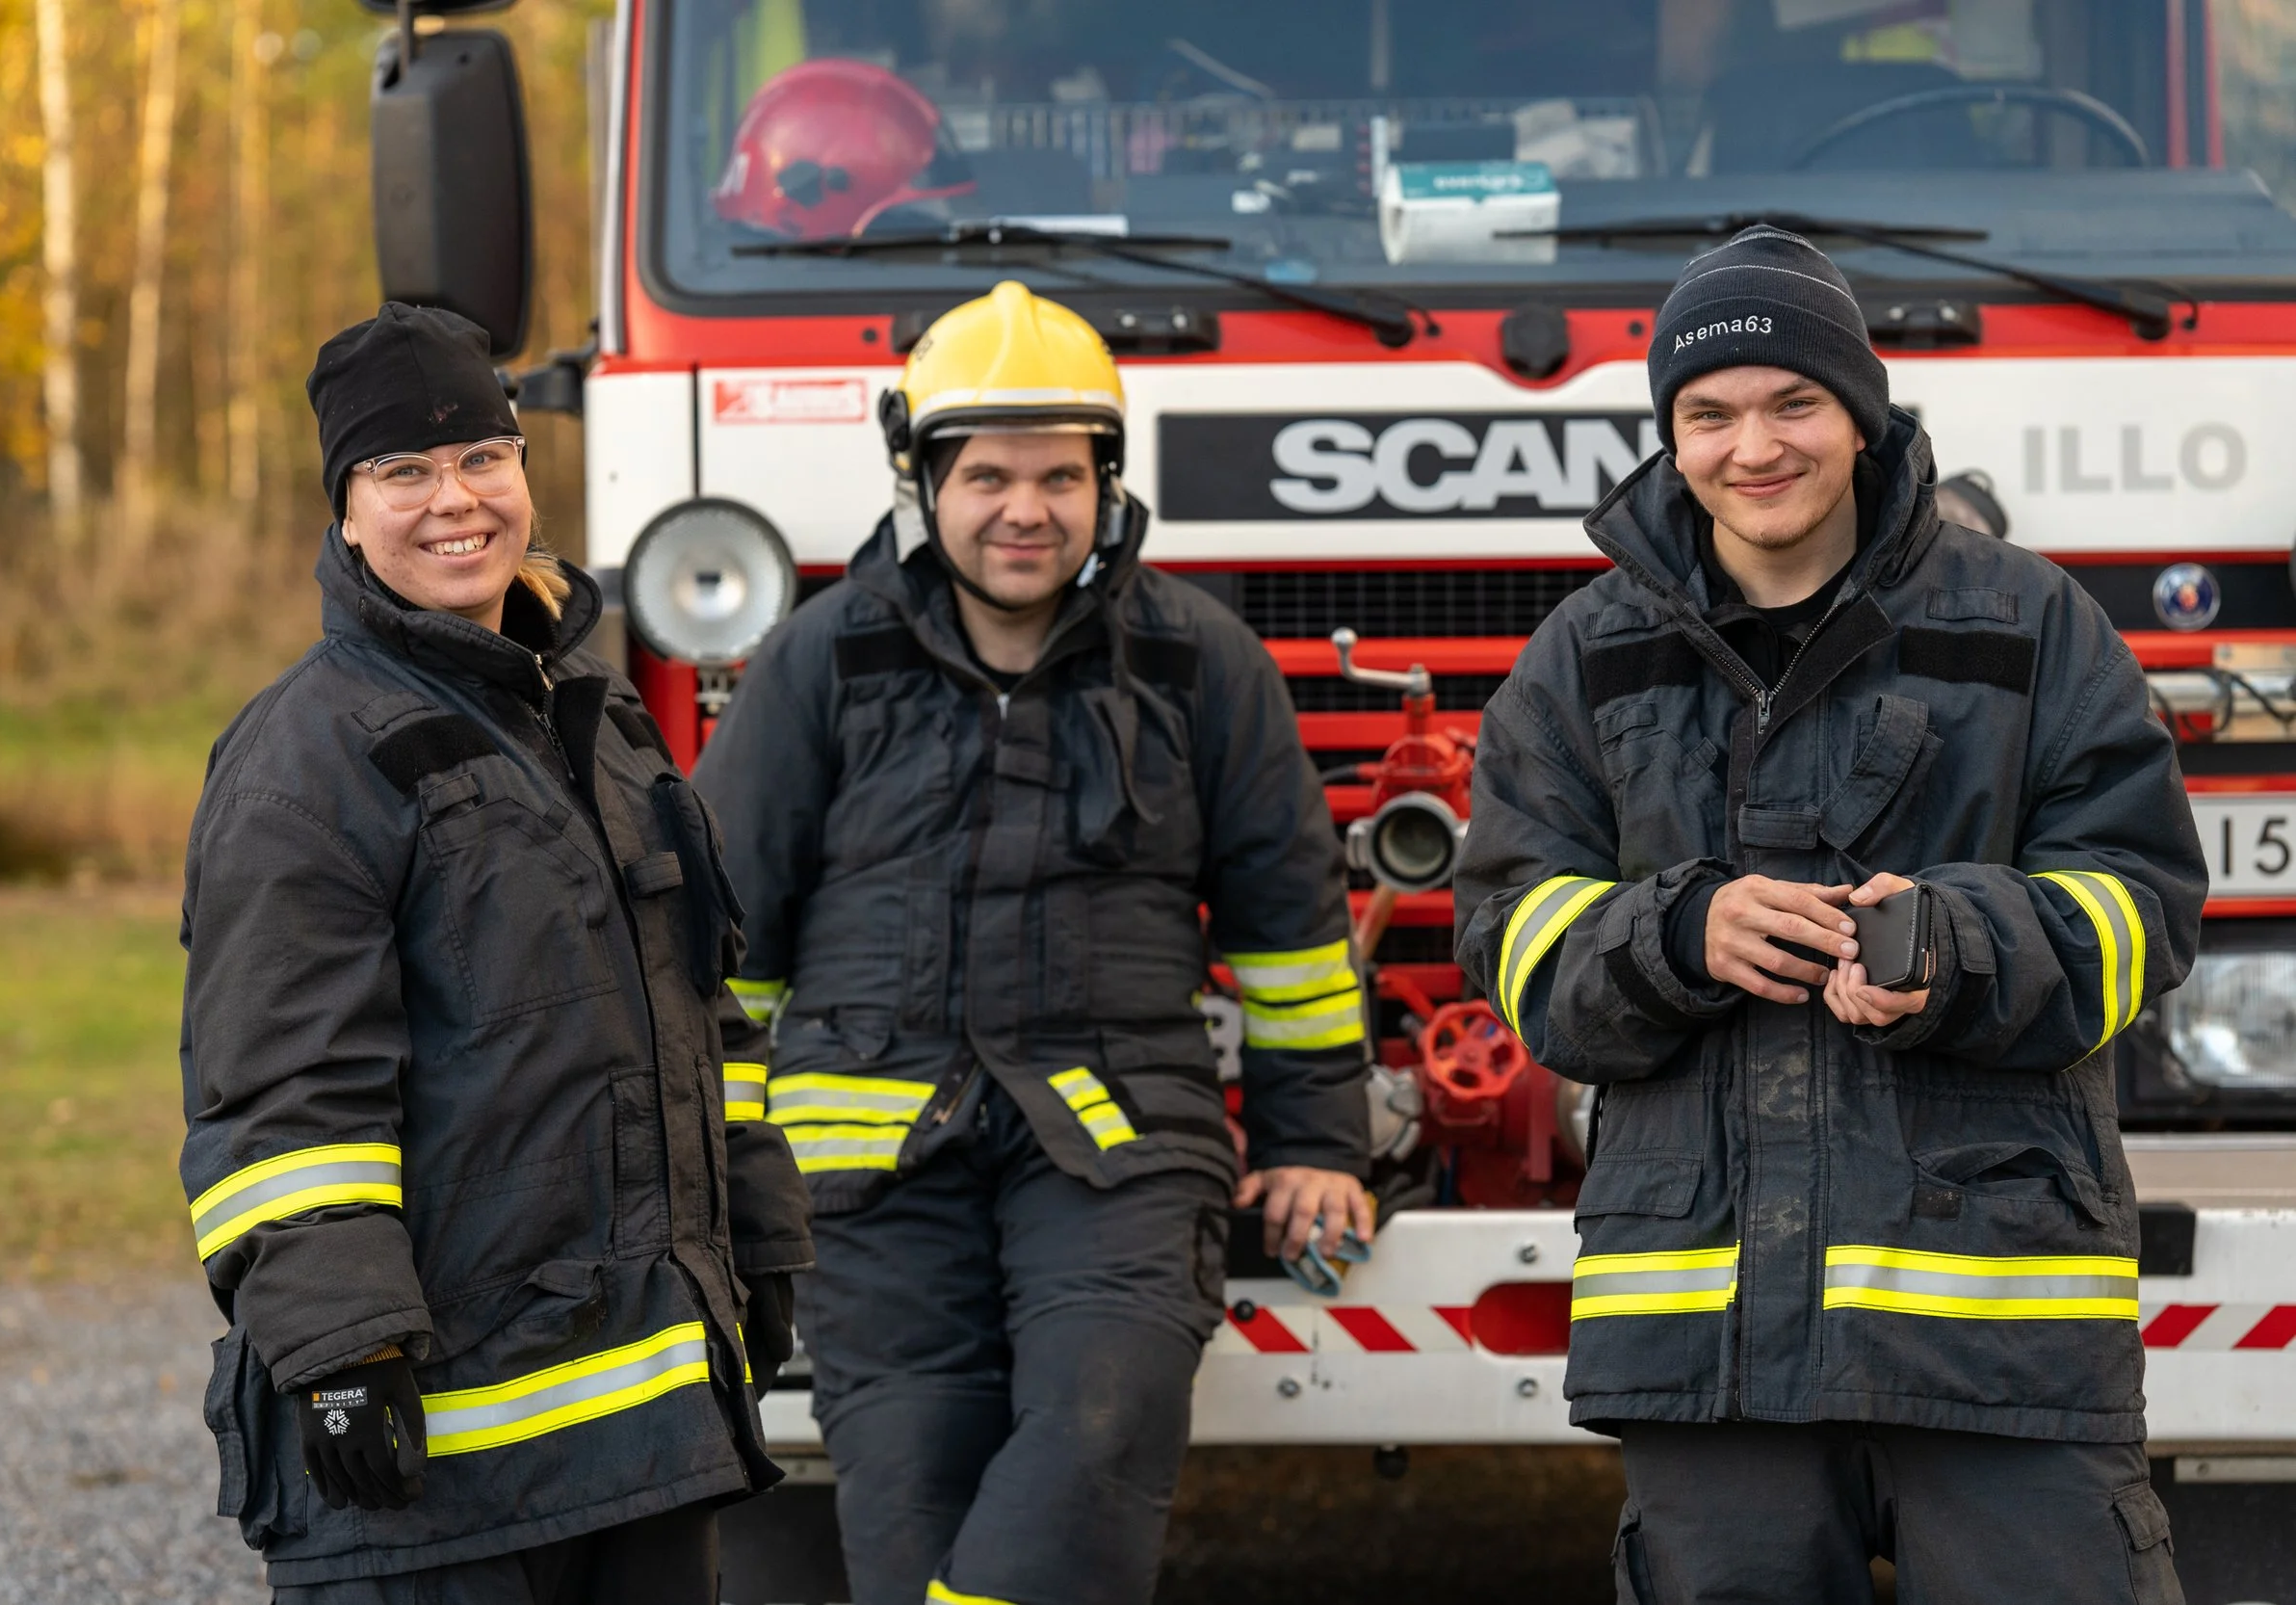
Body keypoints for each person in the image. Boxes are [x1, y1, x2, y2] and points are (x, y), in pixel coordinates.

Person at [1453, 226, 2205, 1605]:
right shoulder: (1583, 657)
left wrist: (1960, 945)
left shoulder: (2035, 626)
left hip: (1999, 1340)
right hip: (1712, 1346)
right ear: (1671, 437)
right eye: (1711, 413)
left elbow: (2142, 905)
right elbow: (1510, 934)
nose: (1756, 445)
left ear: (1859, 413)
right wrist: (1680, 936)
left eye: (1793, 401)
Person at [694, 280, 1371, 1605]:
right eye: (989, 474)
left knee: (1101, 1416)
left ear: (1106, 484)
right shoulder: (819, 662)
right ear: (923, 481)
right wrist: (716, 1171)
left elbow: (1290, 929)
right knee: (909, 1494)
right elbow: (719, 945)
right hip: (866, 1160)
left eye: (1062, 475)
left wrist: (1313, 1144)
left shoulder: (1200, 666)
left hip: (1117, 1135)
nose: (1027, 508)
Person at [179, 302, 811, 1604]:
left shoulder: (599, 713)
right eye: (401, 471)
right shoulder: (307, 760)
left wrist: (759, 1230)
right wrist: (343, 1347)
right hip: (440, 1476)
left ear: (526, 472)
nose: (452, 500)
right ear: (345, 511)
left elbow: (696, 1014)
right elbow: (282, 1093)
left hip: (645, 1434)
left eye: (481, 458)